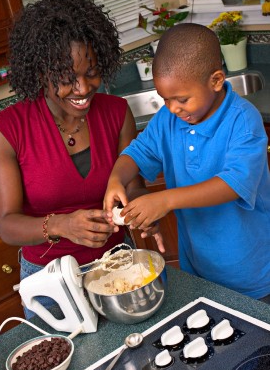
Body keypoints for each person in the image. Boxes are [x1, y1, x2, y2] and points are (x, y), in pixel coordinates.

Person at [0, 0, 163, 318]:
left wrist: (143, 212)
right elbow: (9, 226)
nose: (82, 88)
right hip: (51, 285)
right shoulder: (5, 130)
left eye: (92, 72)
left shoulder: (116, 112)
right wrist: (62, 225)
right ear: (41, 73)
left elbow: (132, 187)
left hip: (119, 269)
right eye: (67, 79)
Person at [104, 23, 270, 302]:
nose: (172, 108)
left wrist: (165, 200)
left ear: (216, 81)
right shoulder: (169, 119)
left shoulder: (243, 120)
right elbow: (137, 151)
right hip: (199, 269)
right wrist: (115, 179)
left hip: (250, 272)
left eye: (181, 99)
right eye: (165, 100)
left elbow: (232, 183)